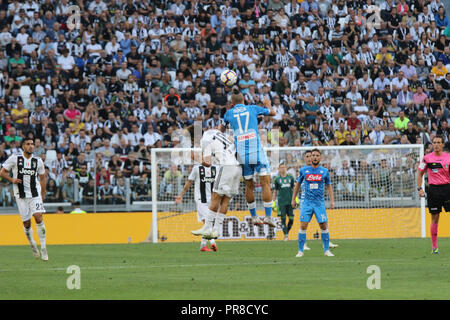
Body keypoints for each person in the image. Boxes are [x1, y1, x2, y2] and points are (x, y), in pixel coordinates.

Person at [222, 86, 276, 227]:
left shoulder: (228, 113)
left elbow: (221, 130)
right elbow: (273, 113)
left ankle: (254, 217)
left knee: (249, 186)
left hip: (242, 154)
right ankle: (268, 217)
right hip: (256, 151)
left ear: (232, 103)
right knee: (265, 183)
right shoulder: (253, 108)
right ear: (244, 100)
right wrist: (267, 105)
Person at [190, 129, 242, 247]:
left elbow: (208, 163)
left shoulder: (205, 140)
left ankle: (208, 228)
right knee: (226, 199)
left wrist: (195, 158)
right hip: (238, 166)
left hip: (227, 166)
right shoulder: (215, 132)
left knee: (215, 197)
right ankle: (216, 230)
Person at [0, 138, 48, 261]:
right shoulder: (15, 158)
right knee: (27, 224)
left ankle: (43, 248)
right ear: (23, 146)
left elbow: (42, 178)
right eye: (28, 144)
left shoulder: (38, 161)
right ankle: (32, 243)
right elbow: (2, 172)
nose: (31, 146)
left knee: (38, 217)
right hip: (20, 196)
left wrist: (42, 195)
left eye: (32, 144)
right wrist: (12, 180)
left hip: (35, 194)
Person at [292, 148, 335, 257]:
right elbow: (297, 185)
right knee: (303, 225)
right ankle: (300, 250)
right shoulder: (303, 170)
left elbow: (329, 186)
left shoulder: (324, 171)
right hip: (306, 202)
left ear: (320, 158)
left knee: (323, 225)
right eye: (313, 155)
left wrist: (332, 201)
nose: (315, 157)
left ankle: (326, 250)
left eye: (317, 155)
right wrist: (293, 199)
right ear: (310, 158)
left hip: (319, 203)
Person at [175, 156, 219, 252]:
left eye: (210, 158)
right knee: (208, 221)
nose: (209, 160)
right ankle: (212, 243)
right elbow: (189, 182)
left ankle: (203, 245)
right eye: (206, 158)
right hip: (200, 200)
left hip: (212, 200)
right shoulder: (197, 168)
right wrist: (181, 195)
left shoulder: (216, 168)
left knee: (208, 223)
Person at [417, 135, 450, 254]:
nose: (436, 145)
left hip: (447, 189)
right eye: (434, 142)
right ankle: (434, 247)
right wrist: (420, 189)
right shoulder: (427, 158)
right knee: (435, 218)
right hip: (434, 190)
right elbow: (420, 173)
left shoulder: (448, 157)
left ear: (443, 145)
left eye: (438, 142)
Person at [272, 161, 295, 240]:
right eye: (281, 167)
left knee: (291, 219)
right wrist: (273, 202)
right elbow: (275, 191)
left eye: (284, 167)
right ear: (279, 169)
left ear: (286, 168)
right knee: (283, 219)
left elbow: (294, 189)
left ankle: (286, 233)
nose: (283, 169)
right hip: (281, 203)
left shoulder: (291, 178)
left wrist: (296, 199)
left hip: (290, 202)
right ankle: (286, 235)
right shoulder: (277, 179)